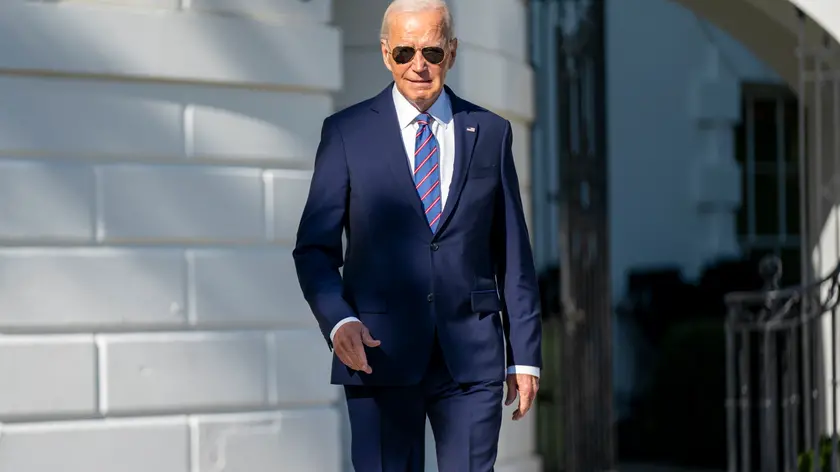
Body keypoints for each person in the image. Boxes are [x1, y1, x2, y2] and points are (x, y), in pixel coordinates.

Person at [292, 0, 542, 470]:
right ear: (386, 54)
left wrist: (524, 356)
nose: (418, 66)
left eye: (431, 51)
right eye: (405, 52)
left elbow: (513, 255)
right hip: (377, 355)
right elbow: (314, 249)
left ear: (451, 51)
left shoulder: (490, 132)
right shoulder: (346, 133)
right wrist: (339, 321)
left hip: (471, 358)